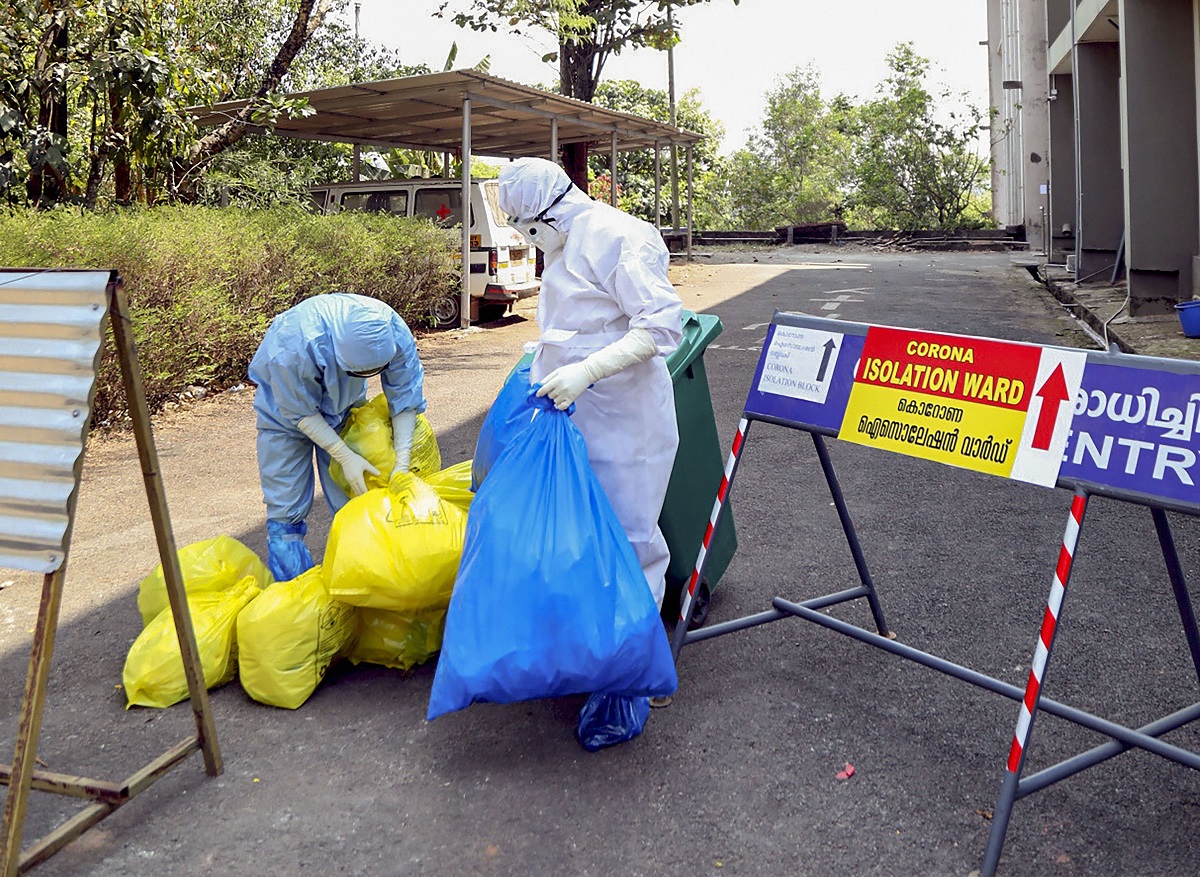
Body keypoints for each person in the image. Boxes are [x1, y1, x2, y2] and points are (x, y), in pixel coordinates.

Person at [497, 156, 683, 750]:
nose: (528, 238)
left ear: (550, 210)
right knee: (582, 536)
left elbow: (661, 327)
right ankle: (592, 650)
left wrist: (588, 370)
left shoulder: (616, 236)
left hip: (627, 423)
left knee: (630, 541)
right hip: (578, 418)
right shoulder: (564, 243)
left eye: (528, 226)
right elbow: (577, 324)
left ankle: (631, 675)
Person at [249, 292, 426, 582]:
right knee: (285, 509)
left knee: (356, 499)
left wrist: (402, 461)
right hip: (283, 417)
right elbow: (298, 411)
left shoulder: (389, 327)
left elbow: (405, 393)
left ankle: (363, 582)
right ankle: (296, 596)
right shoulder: (293, 345)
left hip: (344, 409)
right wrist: (343, 455)